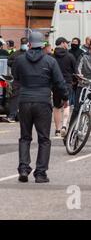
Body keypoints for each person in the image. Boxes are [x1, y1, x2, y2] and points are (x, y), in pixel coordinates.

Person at [13, 32, 69, 183]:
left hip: (25, 101)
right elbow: (59, 82)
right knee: (44, 139)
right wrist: (65, 97)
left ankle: (24, 169)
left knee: (25, 137)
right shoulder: (50, 61)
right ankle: (40, 173)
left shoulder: (19, 60)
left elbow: (16, 79)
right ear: (43, 45)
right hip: (43, 101)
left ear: (29, 44)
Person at [52, 37, 76, 138]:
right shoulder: (70, 56)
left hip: (55, 84)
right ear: (62, 43)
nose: (68, 45)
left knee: (57, 107)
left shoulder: (51, 57)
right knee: (67, 104)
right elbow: (75, 70)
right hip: (67, 83)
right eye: (67, 43)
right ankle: (64, 126)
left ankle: (57, 130)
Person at [6, 37, 29, 123]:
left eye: (25, 43)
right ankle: (13, 115)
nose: (24, 45)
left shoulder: (29, 54)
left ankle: (22, 116)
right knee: (15, 97)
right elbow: (9, 62)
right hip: (18, 78)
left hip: (27, 79)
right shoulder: (16, 54)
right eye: (23, 43)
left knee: (25, 98)